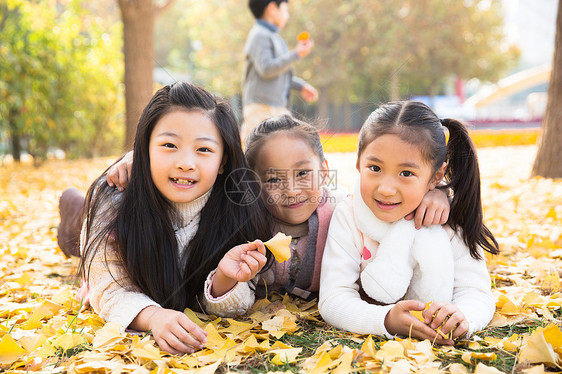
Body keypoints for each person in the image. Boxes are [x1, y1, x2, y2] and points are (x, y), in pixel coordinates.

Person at [97, 114, 451, 302]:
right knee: (79, 235)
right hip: (105, 229)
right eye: (273, 180)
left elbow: (394, 195)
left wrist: (439, 194)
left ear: (324, 172)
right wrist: (134, 161)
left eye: (303, 174)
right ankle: (75, 213)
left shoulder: (344, 211)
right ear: (252, 183)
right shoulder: (242, 219)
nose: (291, 190)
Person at [77, 82, 273, 355]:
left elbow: (239, 303)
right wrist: (153, 316)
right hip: (101, 231)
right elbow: (108, 288)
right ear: (144, 148)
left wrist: (225, 279)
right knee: (79, 234)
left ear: (223, 161)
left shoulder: (238, 208)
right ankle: (72, 208)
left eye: (203, 150)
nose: (186, 163)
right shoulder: (113, 202)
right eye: (169, 145)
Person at [318, 101, 500, 345]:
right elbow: (333, 298)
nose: (386, 188)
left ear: (436, 176)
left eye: (406, 173)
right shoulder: (349, 216)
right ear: (358, 163)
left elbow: (477, 293)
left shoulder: (449, 220)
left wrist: (463, 317)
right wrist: (385, 320)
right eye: (374, 168)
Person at [241, 0, 318, 143]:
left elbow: (280, 73)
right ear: (272, 8)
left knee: (285, 148)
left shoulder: (275, 38)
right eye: (285, 10)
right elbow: (267, 69)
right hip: (260, 107)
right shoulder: (259, 34)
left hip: (278, 107)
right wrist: (296, 54)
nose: (287, 15)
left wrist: (301, 86)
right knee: (253, 152)